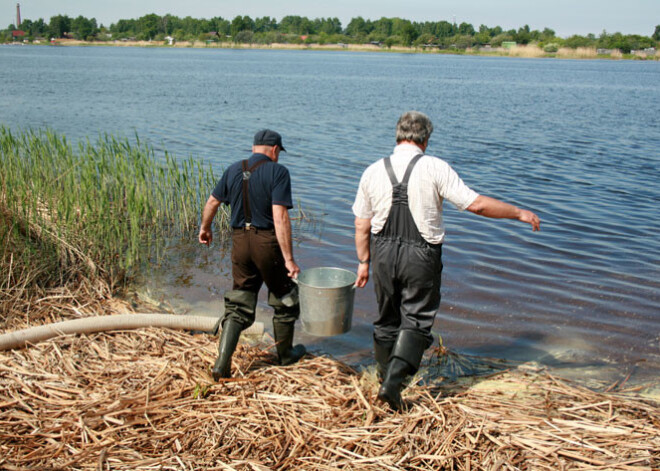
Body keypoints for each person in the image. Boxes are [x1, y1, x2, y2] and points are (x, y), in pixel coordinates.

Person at [352, 111, 540, 411]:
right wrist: (518, 213)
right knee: (416, 319)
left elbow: (362, 224)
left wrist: (363, 261)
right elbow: (475, 204)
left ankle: (383, 379)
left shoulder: (373, 170)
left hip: (383, 253)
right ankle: (392, 386)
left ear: (397, 135)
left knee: (387, 317)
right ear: (425, 139)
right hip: (421, 254)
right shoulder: (435, 167)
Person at [199, 129, 306, 381]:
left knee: (239, 303)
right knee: (286, 298)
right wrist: (289, 260)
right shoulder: (278, 172)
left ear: (254, 147)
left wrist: (205, 228)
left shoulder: (234, 169)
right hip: (266, 242)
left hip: (239, 241)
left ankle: (221, 364)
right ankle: (286, 355)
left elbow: (212, 202)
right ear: (275, 150)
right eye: (279, 152)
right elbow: (279, 215)